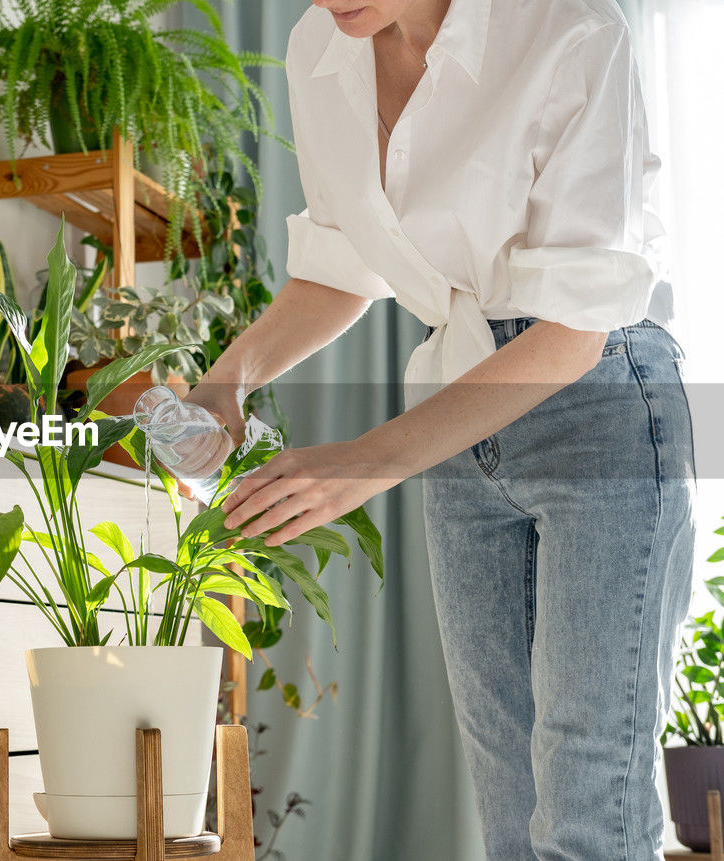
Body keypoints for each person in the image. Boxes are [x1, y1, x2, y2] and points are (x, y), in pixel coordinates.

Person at [182, 0, 696, 858]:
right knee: (507, 809)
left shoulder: (572, 29)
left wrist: (364, 461)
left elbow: (573, 329)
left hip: (600, 405)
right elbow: (344, 262)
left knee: (587, 811)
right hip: (459, 408)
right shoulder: (321, 50)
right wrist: (224, 382)